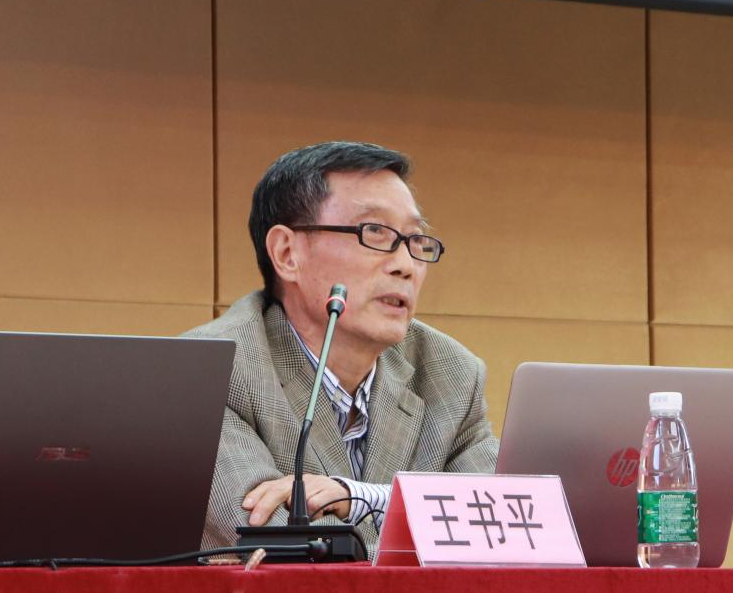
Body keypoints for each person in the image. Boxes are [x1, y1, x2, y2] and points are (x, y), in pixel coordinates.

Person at [184, 141, 499, 553]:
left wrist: (363, 497)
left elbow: (502, 528)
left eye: (415, 240)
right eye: (375, 233)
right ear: (287, 254)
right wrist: (429, 523)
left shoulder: (450, 374)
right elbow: (280, 544)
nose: (406, 265)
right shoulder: (208, 370)